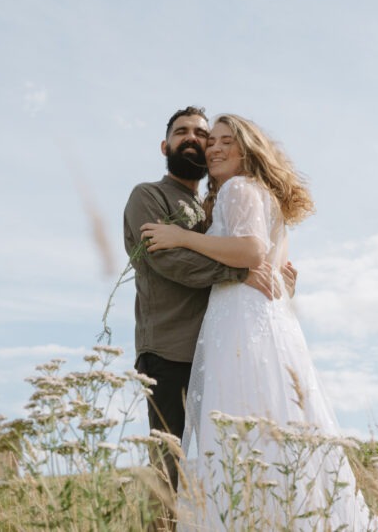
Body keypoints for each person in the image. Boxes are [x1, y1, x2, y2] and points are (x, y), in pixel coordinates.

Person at [141, 114, 378, 531]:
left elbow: (252, 251)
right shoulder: (265, 196)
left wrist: (182, 237)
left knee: (238, 430)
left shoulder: (238, 188)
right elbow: (272, 267)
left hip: (239, 322)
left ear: (248, 149)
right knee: (271, 426)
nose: (214, 148)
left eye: (226, 141)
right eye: (211, 142)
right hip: (267, 323)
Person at [123, 107, 296, 496]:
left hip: (220, 348)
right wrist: (239, 272)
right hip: (169, 350)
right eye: (182, 132)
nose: (194, 139)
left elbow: (247, 250)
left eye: (202, 134)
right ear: (165, 145)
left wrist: (274, 274)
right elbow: (169, 260)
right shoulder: (147, 196)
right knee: (171, 470)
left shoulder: (214, 205)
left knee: (228, 459)